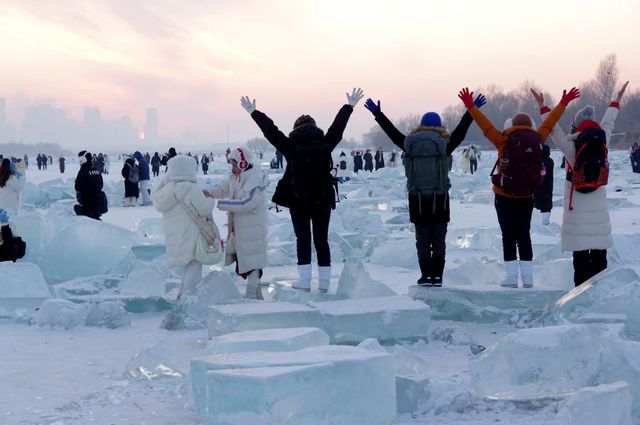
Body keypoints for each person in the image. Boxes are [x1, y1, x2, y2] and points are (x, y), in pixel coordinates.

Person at [240, 88, 364, 292]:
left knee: (303, 239)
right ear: (314, 127)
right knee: (321, 239)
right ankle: (324, 283)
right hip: (323, 198)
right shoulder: (325, 144)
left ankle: (305, 281)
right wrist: (349, 107)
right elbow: (337, 129)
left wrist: (254, 112)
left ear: (296, 129)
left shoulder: (291, 146)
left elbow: (271, 131)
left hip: (299, 199)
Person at [458, 86, 580, 288]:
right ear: (530, 125)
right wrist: (563, 102)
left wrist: (471, 106)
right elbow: (550, 124)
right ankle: (529, 278)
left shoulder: (503, 138)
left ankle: (512, 278)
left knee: (508, 234)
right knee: (524, 234)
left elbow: (485, 125)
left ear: (512, 124)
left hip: (504, 195)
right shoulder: (537, 137)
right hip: (527, 195)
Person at [364, 93, 486, 286]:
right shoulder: (444, 144)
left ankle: (425, 276)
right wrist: (472, 109)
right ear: (439, 126)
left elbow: (392, 132)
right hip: (440, 197)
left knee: (422, 238)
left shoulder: (409, 144)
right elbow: (462, 130)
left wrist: (378, 113)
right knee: (438, 239)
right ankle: (437, 276)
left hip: (417, 197)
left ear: (420, 125)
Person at [532, 81, 629, 287]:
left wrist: (544, 107)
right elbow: (608, 122)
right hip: (598, 211)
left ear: (575, 126)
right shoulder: (602, 140)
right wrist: (616, 101)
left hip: (577, 212)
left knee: (581, 260)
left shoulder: (571, 147)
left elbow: (554, 130)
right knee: (599, 257)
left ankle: (581, 300)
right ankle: (600, 298)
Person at [204, 148, 269, 299]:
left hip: (253, 229)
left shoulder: (255, 179)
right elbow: (223, 189)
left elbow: (248, 203)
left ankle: (251, 295)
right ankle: (257, 296)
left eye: (234, 165)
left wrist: (224, 204)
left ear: (243, 163)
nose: (232, 168)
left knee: (252, 264)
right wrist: (208, 192)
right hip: (241, 229)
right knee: (247, 261)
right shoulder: (235, 178)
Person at [151, 155, 216, 299]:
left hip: (175, 235)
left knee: (189, 266)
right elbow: (204, 209)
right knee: (194, 265)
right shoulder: (190, 188)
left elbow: (156, 198)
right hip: (190, 233)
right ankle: (188, 299)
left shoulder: (167, 189)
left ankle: (182, 295)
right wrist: (210, 200)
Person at [74, 151, 104, 220]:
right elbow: (101, 185)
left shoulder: (83, 172)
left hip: (87, 204)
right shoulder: (96, 170)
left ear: (83, 159)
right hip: (98, 203)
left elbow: (77, 187)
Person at [534, 144, 554, 225]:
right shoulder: (550, 161)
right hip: (548, 186)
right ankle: (545, 222)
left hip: (538, 185)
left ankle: (536, 222)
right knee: (546, 202)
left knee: (536, 202)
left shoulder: (536, 161)